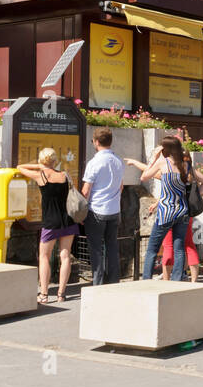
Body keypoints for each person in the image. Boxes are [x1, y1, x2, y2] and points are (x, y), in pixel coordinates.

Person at [137, 135, 203, 281]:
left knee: (152, 248)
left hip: (166, 212)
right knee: (179, 248)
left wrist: (154, 158)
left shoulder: (163, 163)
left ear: (166, 149)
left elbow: (144, 177)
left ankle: (146, 279)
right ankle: (177, 280)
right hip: (182, 211)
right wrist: (200, 192)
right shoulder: (186, 165)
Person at [16, 148, 78, 302]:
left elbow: (20, 168)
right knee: (65, 256)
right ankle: (61, 294)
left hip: (51, 222)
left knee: (44, 256)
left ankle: (44, 294)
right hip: (68, 220)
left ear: (41, 160)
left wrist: (40, 166)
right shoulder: (65, 175)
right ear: (55, 160)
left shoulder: (40, 175)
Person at [82, 127, 126, 285]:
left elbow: (86, 190)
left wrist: (80, 211)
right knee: (112, 246)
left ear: (96, 142)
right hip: (114, 210)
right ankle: (114, 280)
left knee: (96, 249)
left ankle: (98, 283)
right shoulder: (118, 161)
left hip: (96, 211)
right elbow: (121, 186)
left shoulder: (94, 163)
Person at [161, 217, 202, 282]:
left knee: (168, 247)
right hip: (186, 214)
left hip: (169, 215)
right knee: (189, 246)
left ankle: (166, 280)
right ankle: (194, 281)